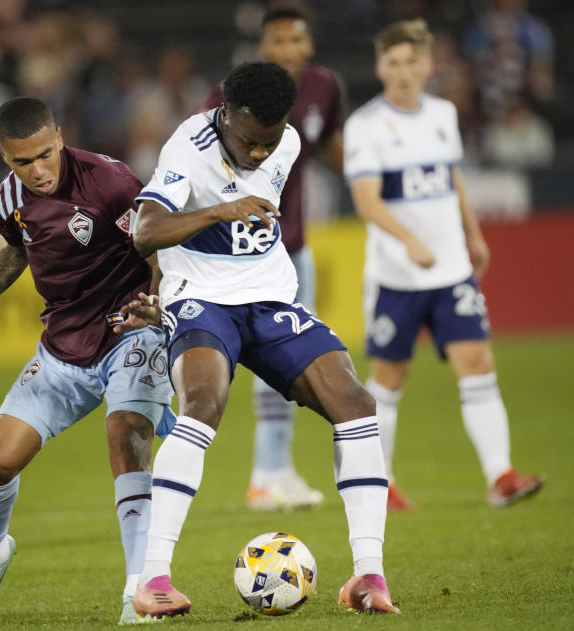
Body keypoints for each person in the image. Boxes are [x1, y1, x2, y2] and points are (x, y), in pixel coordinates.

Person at [129, 61, 399, 619]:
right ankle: (154, 578)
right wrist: (223, 210)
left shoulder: (289, 141)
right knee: (202, 403)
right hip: (201, 298)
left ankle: (368, 576)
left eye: (267, 143)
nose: (258, 154)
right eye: (248, 141)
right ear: (226, 114)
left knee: (356, 403)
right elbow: (145, 231)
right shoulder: (188, 145)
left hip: (271, 298)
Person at [0, 97, 175, 625]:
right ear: (3, 156)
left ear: (61, 136)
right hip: (63, 348)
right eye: (22, 161)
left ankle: (138, 591)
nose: (37, 171)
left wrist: (158, 305)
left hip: (130, 331)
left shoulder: (110, 181)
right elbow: (17, 250)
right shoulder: (8, 198)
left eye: (45, 154)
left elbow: (157, 248)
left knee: (126, 436)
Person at [343, 19, 546, 511]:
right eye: (393, 62)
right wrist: (410, 240)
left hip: (452, 269)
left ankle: (501, 477)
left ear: (429, 65)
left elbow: (451, 179)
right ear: (380, 67)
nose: (403, 71)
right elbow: (367, 201)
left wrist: (472, 233)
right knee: (390, 378)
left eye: (412, 61)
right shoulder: (366, 125)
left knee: (477, 365)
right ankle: (380, 481)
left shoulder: (442, 114)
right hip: (398, 275)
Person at [200, 4, 345, 511]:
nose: (287, 50)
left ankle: (279, 469)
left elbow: (333, 147)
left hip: (294, 249)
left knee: (292, 360)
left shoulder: (324, 88)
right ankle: (264, 472)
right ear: (263, 47)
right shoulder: (232, 96)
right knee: (268, 359)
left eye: (295, 41)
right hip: (240, 255)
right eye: (277, 42)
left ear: (309, 46)